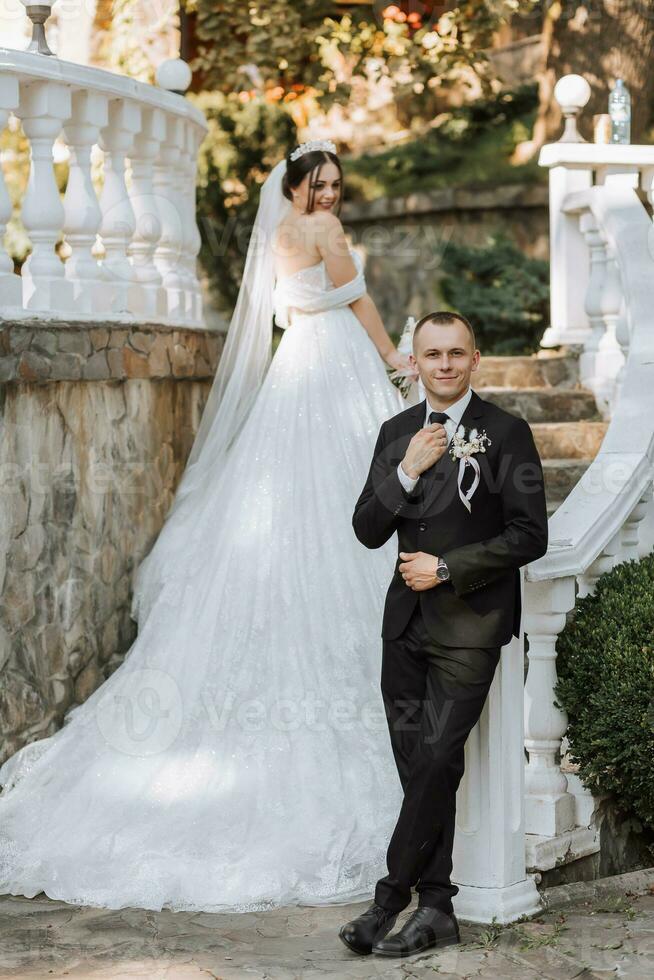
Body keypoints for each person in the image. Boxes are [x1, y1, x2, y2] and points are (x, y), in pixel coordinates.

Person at [0, 140, 416, 913]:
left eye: (335, 186)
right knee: (348, 504)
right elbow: (356, 301)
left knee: (291, 502)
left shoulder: (275, 234)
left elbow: (286, 309)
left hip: (295, 373)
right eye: (319, 185)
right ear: (297, 186)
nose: (330, 197)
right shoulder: (323, 235)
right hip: (333, 370)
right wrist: (396, 357)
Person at [339, 311, 548, 958]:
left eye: (457, 353)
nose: (446, 365)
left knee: (433, 760)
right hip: (402, 627)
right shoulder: (397, 432)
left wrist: (449, 568)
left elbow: (529, 534)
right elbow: (367, 527)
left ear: (475, 359)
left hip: (471, 627)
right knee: (421, 771)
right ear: (415, 362)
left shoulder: (507, 433)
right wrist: (405, 471)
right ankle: (435, 908)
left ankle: (387, 900)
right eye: (433, 355)